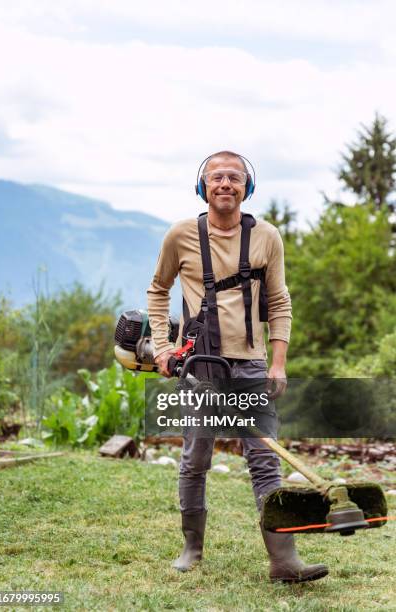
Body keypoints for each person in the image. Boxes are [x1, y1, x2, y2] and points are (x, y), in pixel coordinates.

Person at [147, 151, 328, 583]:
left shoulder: (267, 237)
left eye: (234, 177)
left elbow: (280, 302)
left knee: (264, 456)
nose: (225, 183)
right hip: (199, 364)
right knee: (196, 457)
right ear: (202, 187)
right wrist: (161, 348)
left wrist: (278, 361)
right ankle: (192, 547)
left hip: (251, 363)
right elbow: (158, 291)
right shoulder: (180, 236)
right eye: (216, 177)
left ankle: (284, 561)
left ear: (247, 187)